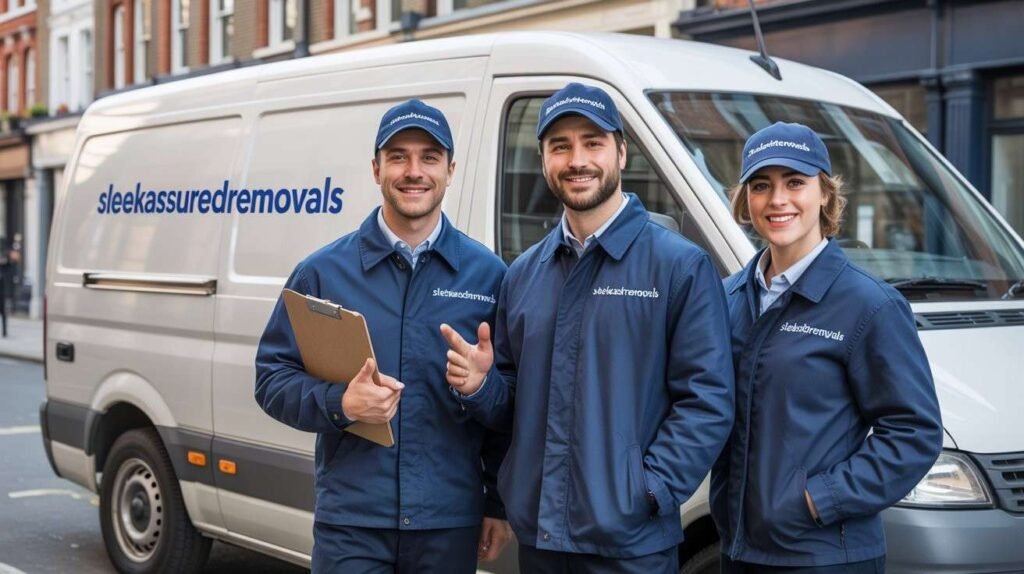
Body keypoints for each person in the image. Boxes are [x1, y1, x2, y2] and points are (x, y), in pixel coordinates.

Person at [441, 83, 735, 573]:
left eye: (592, 142)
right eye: (560, 146)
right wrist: (481, 386)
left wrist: (647, 490)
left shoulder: (679, 267)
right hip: (541, 540)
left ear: (621, 151)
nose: (577, 159)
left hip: (631, 545)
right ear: (543, 160)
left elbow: (707, 400)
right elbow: (513, 407)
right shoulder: (524, 274)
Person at [255, 99, 511, 573]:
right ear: (376, 169)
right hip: (352, 524)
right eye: (398, 157)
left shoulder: (489, 277)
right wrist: (342, 404)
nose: (414, 171)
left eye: (429, 158)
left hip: (447, 523)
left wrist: (482, 391)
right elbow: (271, 380)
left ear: (450, 170)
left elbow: (509, 409)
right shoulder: (322, 274)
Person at [712, 122, 943, 573]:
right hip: (739, 549)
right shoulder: (726, 298)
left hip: (826, 556)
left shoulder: (869, 305)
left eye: (795, 182)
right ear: (746, 202)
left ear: (824, 195)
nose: (777, 199)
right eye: (761, 186)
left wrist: (822, 498)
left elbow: (914, 433)